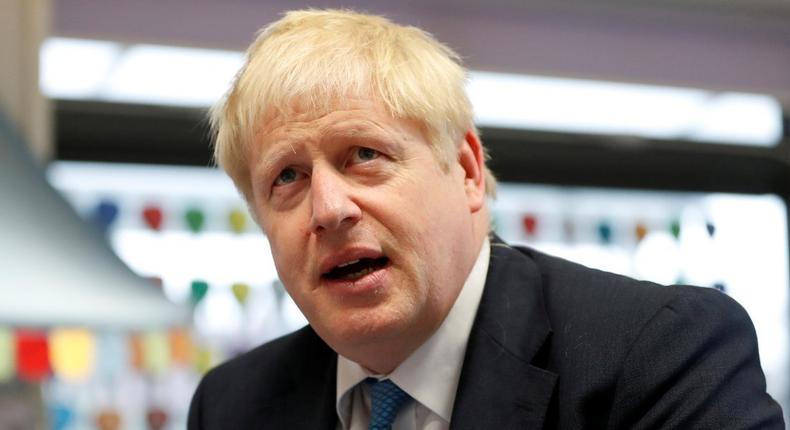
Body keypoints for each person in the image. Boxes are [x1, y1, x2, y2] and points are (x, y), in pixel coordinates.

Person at [188, 9, 783, 429]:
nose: (328, 209)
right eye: (286, 178)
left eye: (364, 155)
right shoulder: (233, 404)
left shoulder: (658, 354)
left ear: (467, 170)